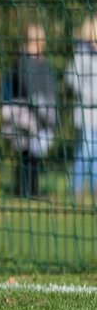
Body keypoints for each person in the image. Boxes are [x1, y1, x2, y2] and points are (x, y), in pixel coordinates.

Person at [0, 23, 58, 198]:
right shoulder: (22, 62)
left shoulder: (43, 63)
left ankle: (32, 189)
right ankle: (26, 190)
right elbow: (25, 87)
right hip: (25, 115)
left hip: (43, 114)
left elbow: (49, 89)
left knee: (35, 153)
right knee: (26, 153)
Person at [64, 16, 97, 199]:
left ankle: (95, 189)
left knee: (96, 154)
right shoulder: (82, 53)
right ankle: (75, 188)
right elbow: (71, 78)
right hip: (85, 112)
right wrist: (88, 93)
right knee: (85, 151)